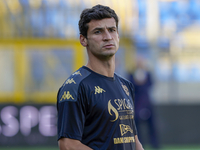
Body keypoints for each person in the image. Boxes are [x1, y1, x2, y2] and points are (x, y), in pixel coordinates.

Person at [57, 4, 144, 150]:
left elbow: (132, 139)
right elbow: (68, 145)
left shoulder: (126, 85)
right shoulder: (75, 86)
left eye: (112, 30)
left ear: (118, 36)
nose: (107, 37)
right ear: (83, 40)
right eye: (98, 32)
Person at [127, 57, 159, 149]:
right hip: (136, 104)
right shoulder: (131, 74)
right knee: (137, 127)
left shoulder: (147, 74)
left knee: (152, 126)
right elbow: (130, 86)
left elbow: (151, 84)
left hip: (147, 103)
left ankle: (155, 144)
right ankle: (139, 144)